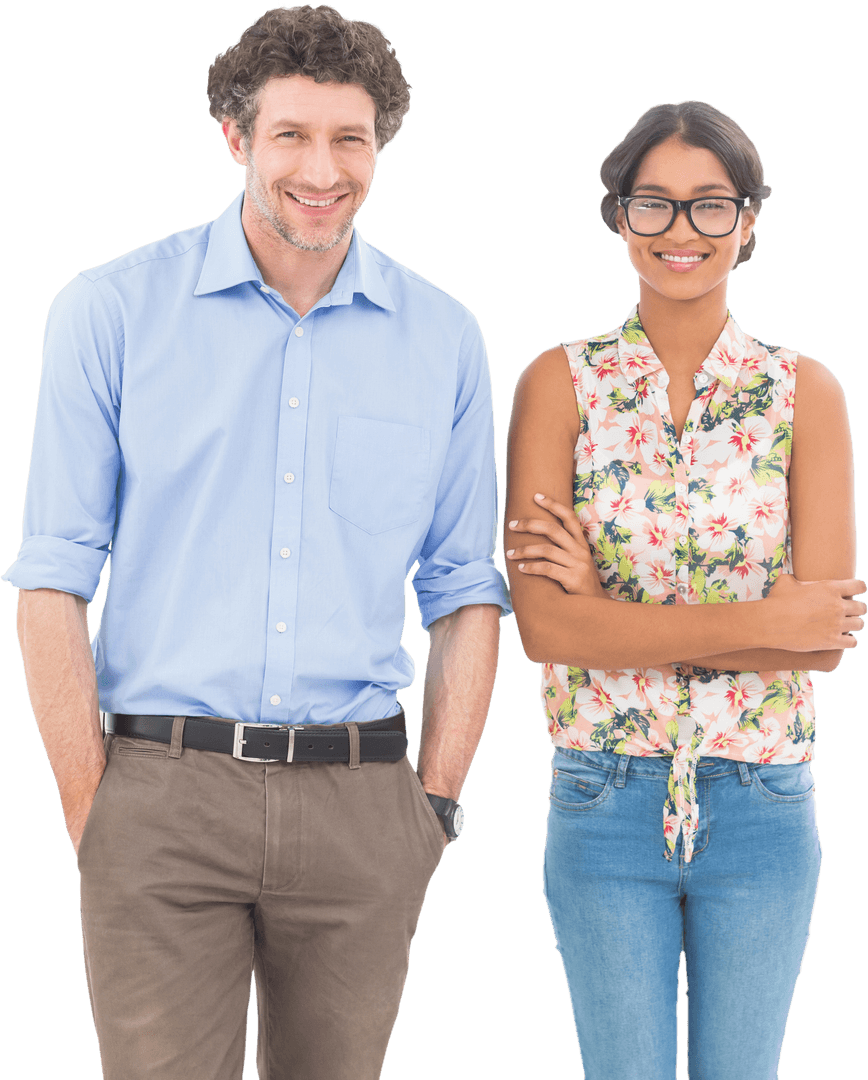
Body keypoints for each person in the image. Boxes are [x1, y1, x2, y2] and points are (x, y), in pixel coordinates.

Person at [3, 6, 508, 1079]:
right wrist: (95, 809)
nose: (321, 170)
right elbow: (51, 579)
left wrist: (432, 807)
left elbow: (464, 590)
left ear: (381, 144)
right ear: (237, 137)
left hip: (365, 803)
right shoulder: (110, 310)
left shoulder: (444, 337)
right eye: (291, 136)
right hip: (160, 794)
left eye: (349, 139)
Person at [504, 100, 864, 1079]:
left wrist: (608, 621)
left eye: (710, 206)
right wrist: (763, 622)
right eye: (652, 204)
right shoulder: (558, 384)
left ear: (748, 225)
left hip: (761, 801)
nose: (680, 232)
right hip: (600, 794)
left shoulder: (805, 394)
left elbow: (822, 640)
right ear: (618, 218)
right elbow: (542, 626)